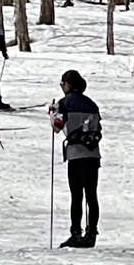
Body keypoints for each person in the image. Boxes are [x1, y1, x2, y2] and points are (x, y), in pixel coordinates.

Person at [49, 70, 102, 248]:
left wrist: (52, 113)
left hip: (76, 153)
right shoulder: (92, 104)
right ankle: (92, 233)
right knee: (92, 195)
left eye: (62, 84)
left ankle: (76, 234)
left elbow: (57, 127)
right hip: (93, 153)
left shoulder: (64, 103)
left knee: (77, 195)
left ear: (67, 84)